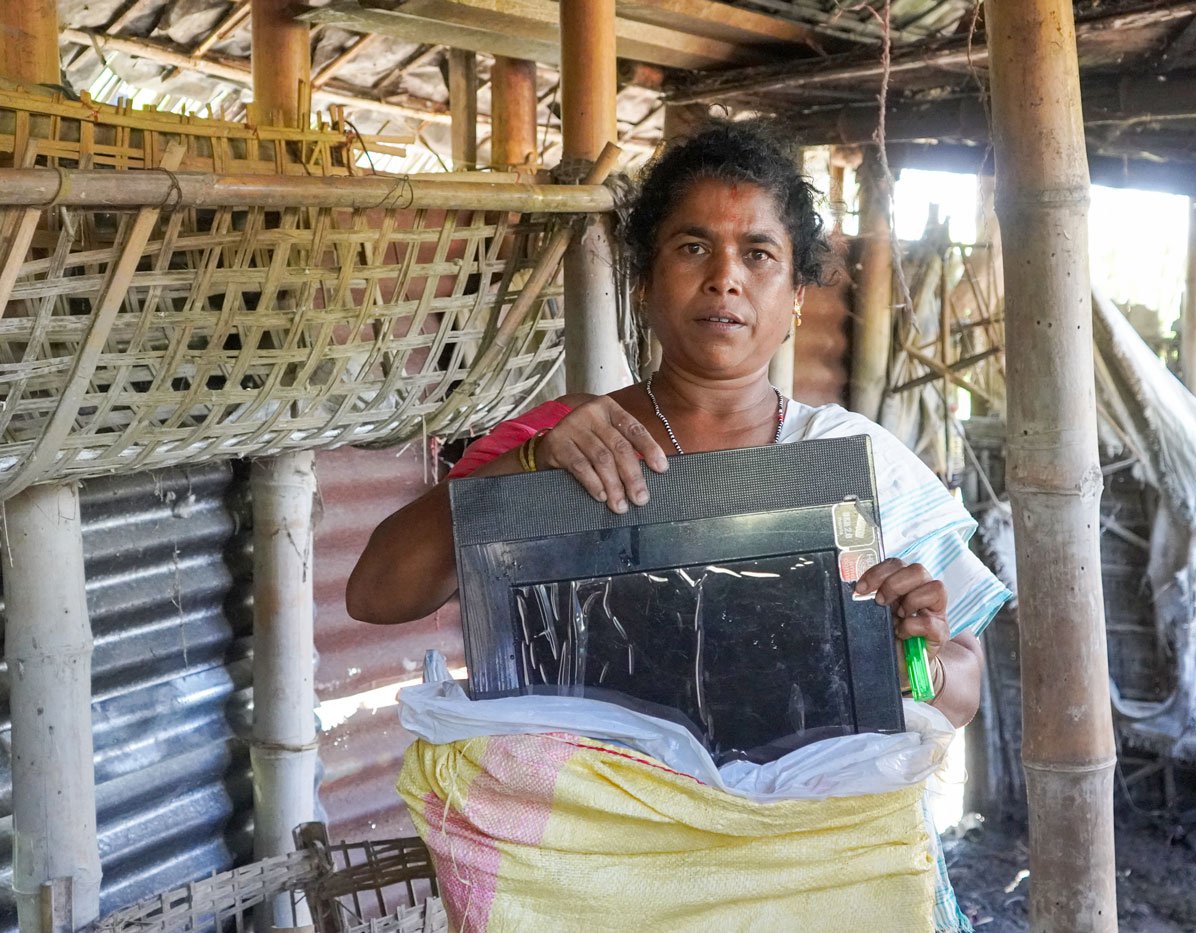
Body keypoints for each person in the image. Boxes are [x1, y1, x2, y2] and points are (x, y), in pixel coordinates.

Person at [348, 119, 1010, 927]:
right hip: (595, 883)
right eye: (693, 247)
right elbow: (375, 592)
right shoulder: (563, 443)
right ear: (645, 281)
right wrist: (524, 468)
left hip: (804, 882)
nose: (725, 278)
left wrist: (919, 661)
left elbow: (961, 683)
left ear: (797, 292)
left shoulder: (856, 460)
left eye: (758, 255)